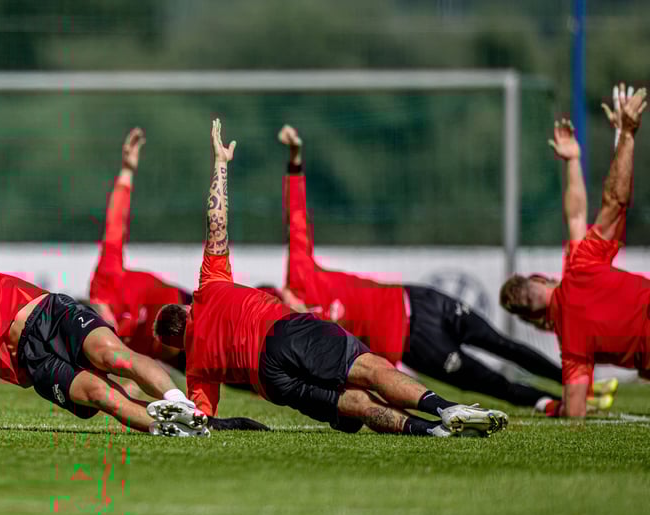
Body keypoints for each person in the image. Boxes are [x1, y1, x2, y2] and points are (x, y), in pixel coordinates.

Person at [0, 98, 209, 437]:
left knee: (112, 355)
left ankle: (181, 404)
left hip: (48, 313)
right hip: (34, 363)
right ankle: (172, 430)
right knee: (97, 395)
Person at [152, 118, 508, 437]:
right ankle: (445, 409)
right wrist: (220, 165)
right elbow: (217, 224)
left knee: (352, 403)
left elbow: (202, 418)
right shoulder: (209, 285)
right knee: (368, 369)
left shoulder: (197, 366)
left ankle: (432, 432)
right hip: (282, 332)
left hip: (271, 383)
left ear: (178, 344)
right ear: (185, 311)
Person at [273, 123, 615, 414]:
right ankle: (556, 405)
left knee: (501, 344)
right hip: (416, 344)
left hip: (420, 300)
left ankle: (576, 384)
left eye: (281, 301)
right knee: (491, 383)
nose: (288, 306)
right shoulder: (305, 332)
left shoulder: (300, 274)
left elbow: (296, 219)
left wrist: (294, 160)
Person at [500, 83, 647, 418]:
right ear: (543, 278)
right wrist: (620, 139)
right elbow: (599, 208)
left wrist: (557, 407)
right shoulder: (580, 266)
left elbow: (576, 411)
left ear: (535, 322)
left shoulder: (572, 347)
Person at [88, 127, 191, 372]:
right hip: (167, 350)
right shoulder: (104, 343)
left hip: (181, 307)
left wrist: (127, 170)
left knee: (235, 341)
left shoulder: (105, 280)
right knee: (237, 377)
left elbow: (115, 224)